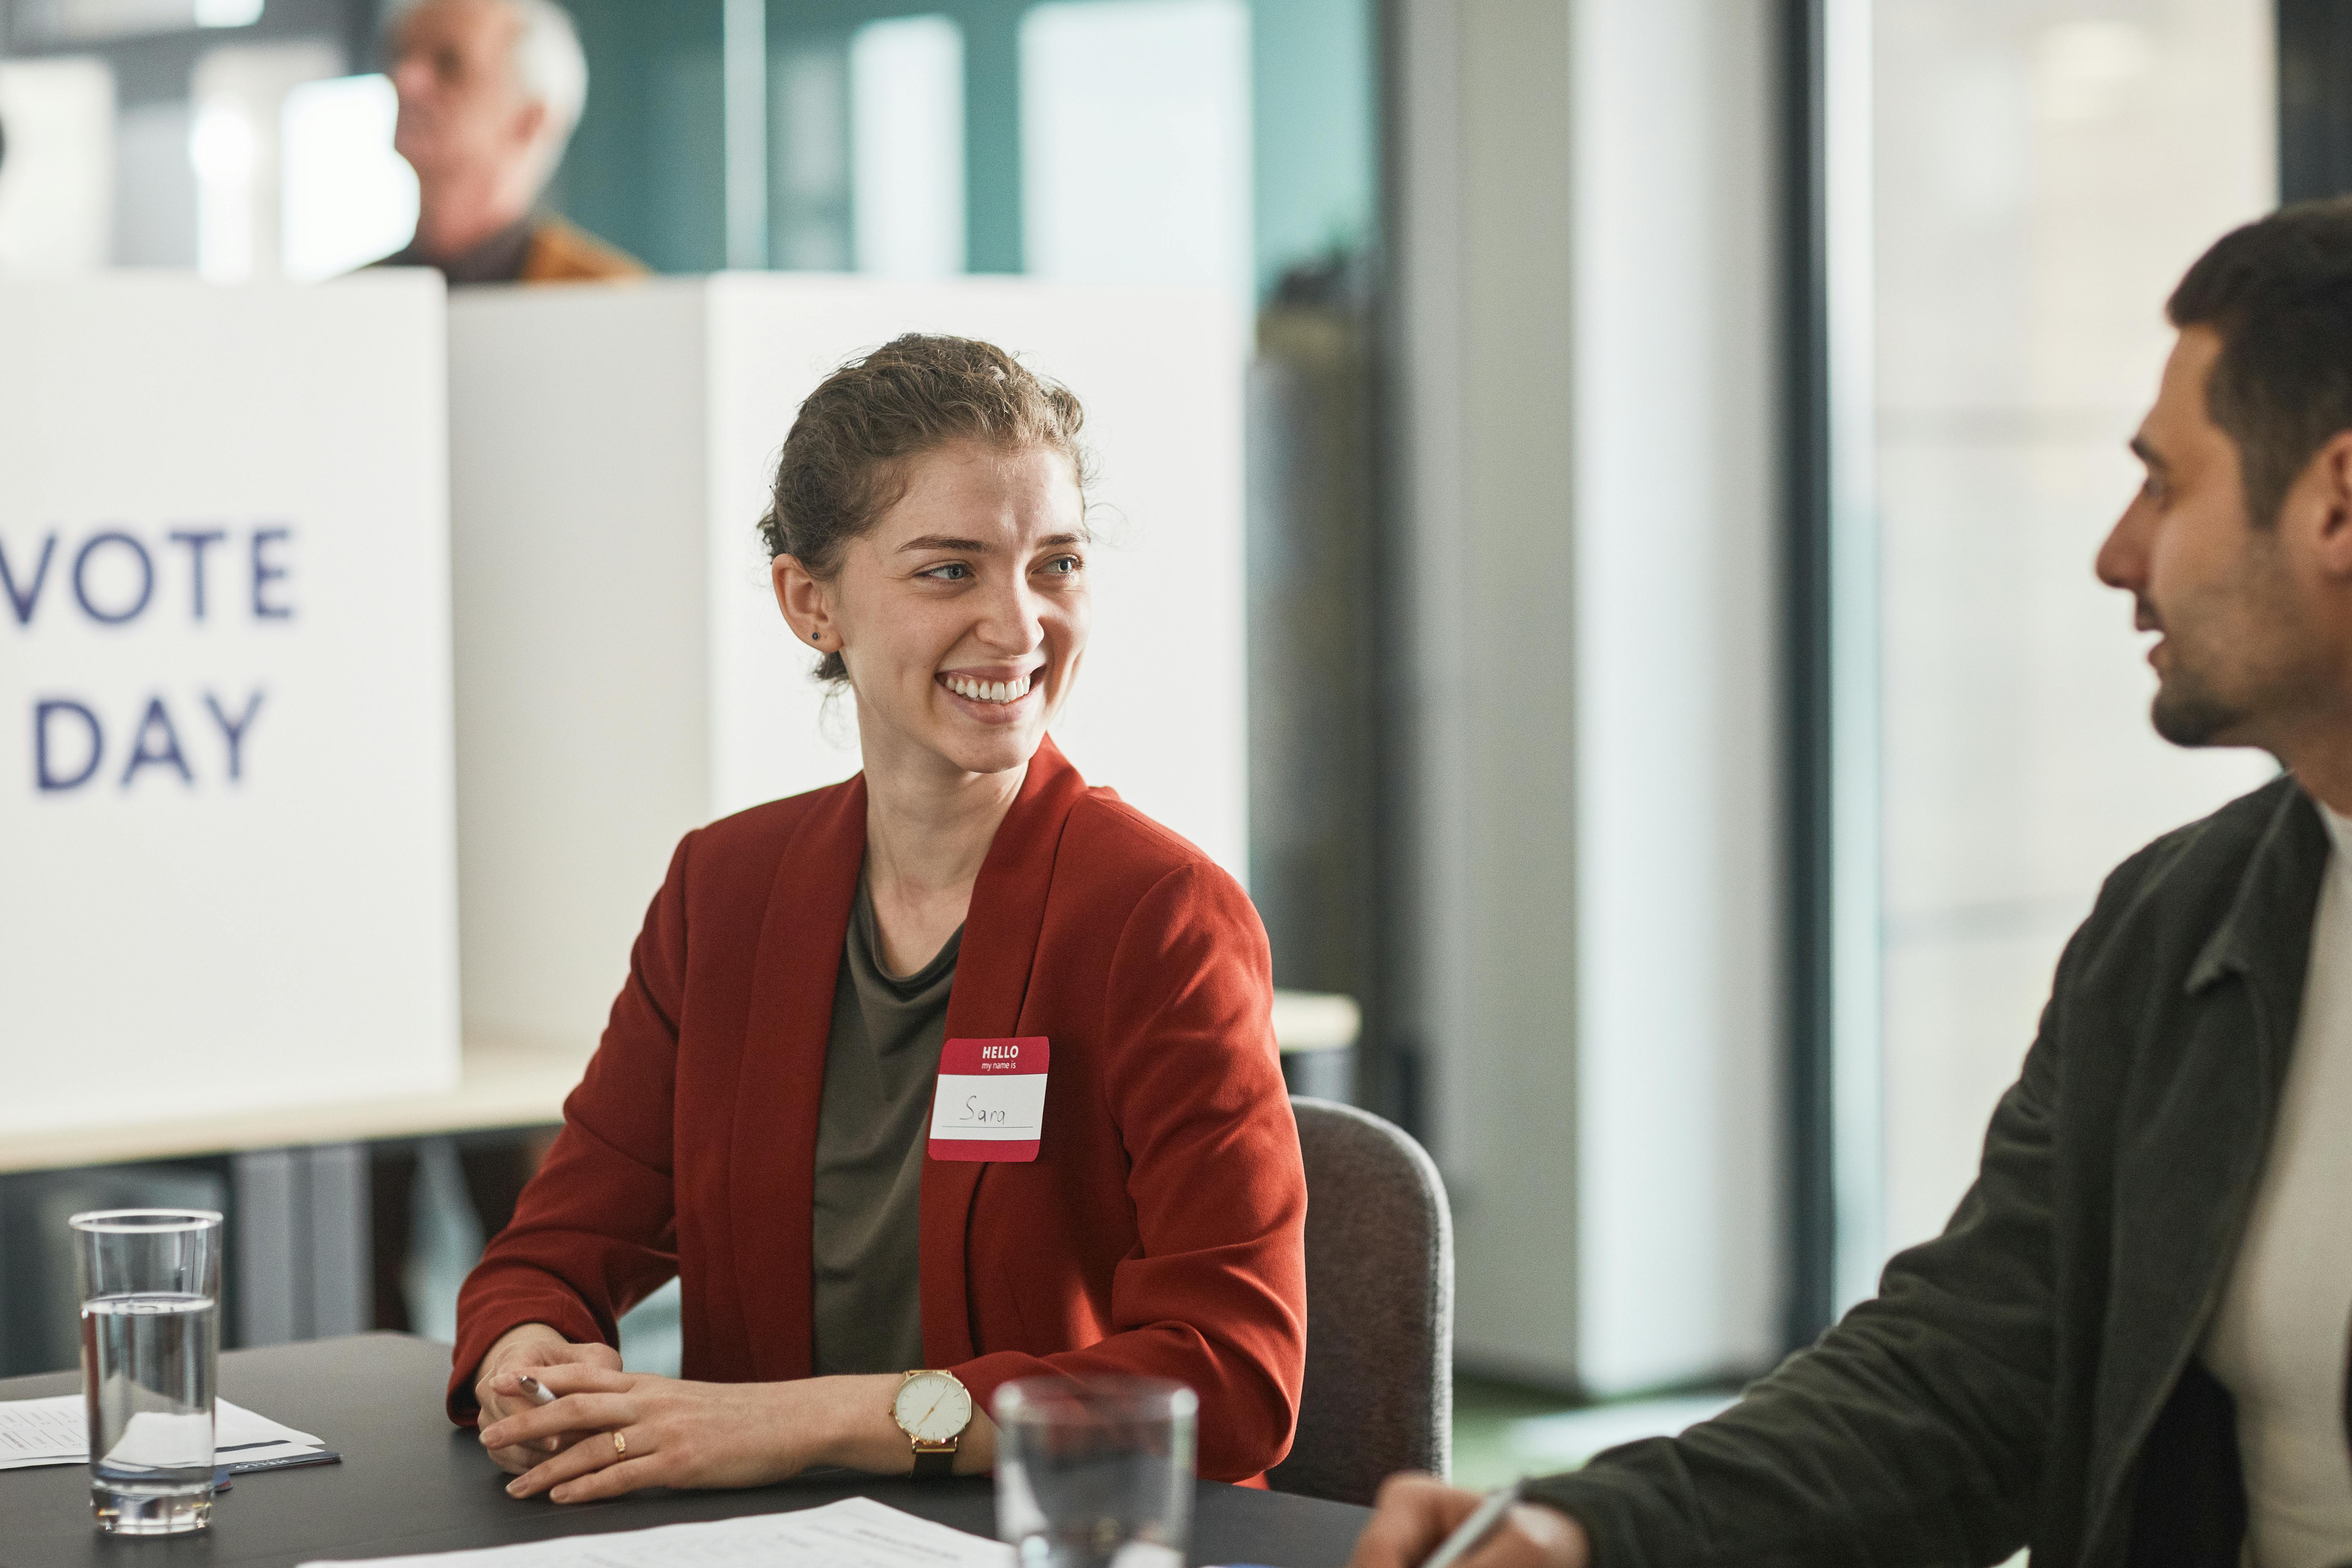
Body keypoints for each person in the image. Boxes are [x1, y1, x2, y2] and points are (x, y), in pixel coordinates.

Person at [1352, 197, 2352, 1568]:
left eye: (2166, 483)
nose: (2118, 553)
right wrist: (1586, 1528)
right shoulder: (2174, 927)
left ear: (2338, 501)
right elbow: (1969, 1380)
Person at [445, 334, 1308, 1502]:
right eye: (949, 571)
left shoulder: (1158, 917)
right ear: (812, 603)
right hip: (775, 1537)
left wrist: (814, 1421)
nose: (1018, 626)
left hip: (1059, 1536)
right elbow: (548, 1252)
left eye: (1053, 563)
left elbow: (1234, 1376)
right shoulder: (725, 891)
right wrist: (526, 1358)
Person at [368, 0, 643, 283]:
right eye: (399, 56)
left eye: (449, 63)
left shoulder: (613, 298)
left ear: (529, 120)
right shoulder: (344, 302)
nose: (404, 80)